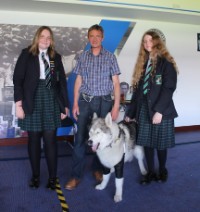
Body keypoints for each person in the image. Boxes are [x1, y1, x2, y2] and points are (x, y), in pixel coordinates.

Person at [64, 24, 121, 190]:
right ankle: (76, 176)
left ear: (102, 38)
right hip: (85, 102)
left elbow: (116, 83)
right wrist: (75, 103)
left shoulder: (110, 57)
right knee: (80, 138)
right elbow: (79, 81)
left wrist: (116, 106)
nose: (94, 39)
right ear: (88, 38)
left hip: (104, 103)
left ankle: (98, 170)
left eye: (98, 36)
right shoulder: (83, 57)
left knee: (102, 138)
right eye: (91, 36)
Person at [13, 26, 69, 190]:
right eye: (43, 36)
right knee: (34, 139)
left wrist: (64, 105)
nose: (45, 40)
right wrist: (18, 104)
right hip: (32, 99)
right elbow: (18, 80)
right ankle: (36, 176)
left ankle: (52, 178)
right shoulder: (27, 54)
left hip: (51, 98)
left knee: (51, 140)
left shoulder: (54, 57)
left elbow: (61, 83)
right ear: (37, 38)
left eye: (48, 37)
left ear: (51, 40)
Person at [125, 29, 178, 185]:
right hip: (144, 110)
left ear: (157, 43)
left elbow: (168, 89)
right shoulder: (143, 64)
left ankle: (162, 170)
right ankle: (150, 172)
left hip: (160, 111)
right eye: (145, 41)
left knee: (160, 144)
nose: (147, 44)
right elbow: (138, 92)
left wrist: (159, 111)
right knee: (147, 143)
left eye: (150, 40)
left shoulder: (166, 64)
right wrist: (131, 112)